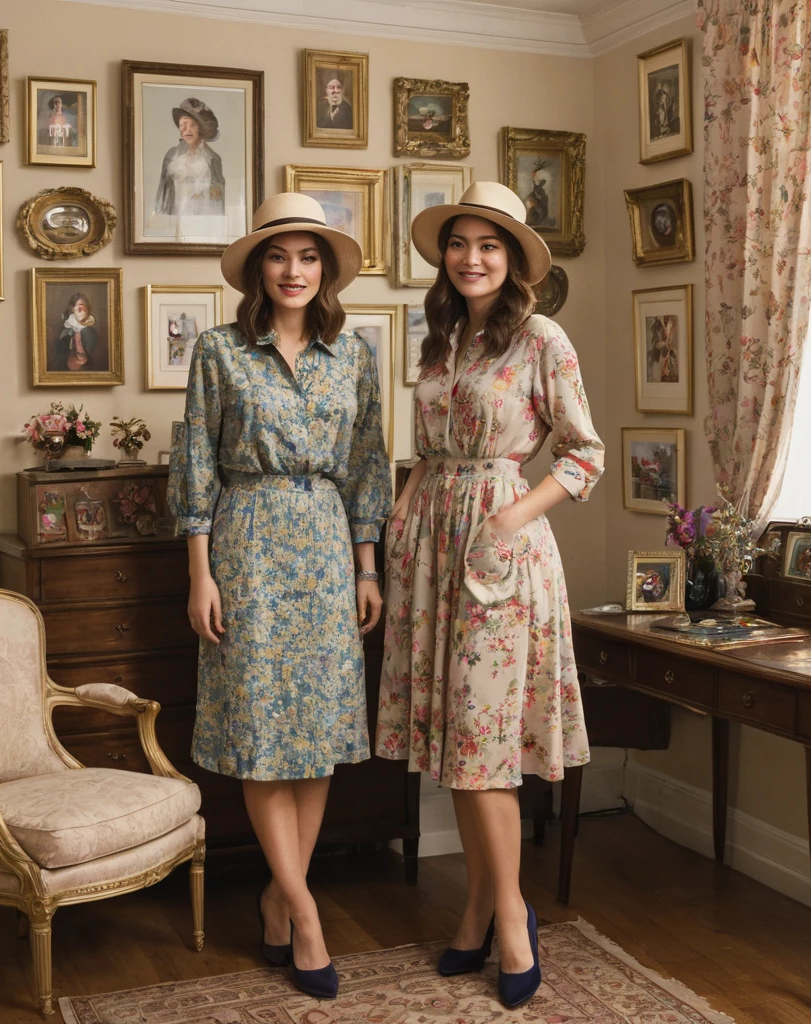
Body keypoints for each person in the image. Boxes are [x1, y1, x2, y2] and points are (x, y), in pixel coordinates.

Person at [376, 182, 604, 1009]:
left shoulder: (542, 337)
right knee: (457, 751)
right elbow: (430, 449)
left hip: (499, 554)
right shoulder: (439, 338)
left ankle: (511, 916)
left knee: (483, 753)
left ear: (512, 262)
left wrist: (511, 514)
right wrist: (404, 511)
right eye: (459, 244)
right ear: (445, 256)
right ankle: (477, 904)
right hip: (432, 547)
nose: (471, 258)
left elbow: (583, 456)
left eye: (489, 246)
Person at [168, 192, 391, 1001]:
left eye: (308, 257)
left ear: (325, 270)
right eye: (278, 255)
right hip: (248, 543)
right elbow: (194, 464)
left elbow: (369, 464)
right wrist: (201, 572)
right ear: (258, 267)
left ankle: (275, 895)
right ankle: (306, 912)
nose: (293, 271)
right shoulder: (220, 352)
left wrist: (368, 568)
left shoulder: (355, 356)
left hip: (329, 546)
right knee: (263, 726)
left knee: (319, 728)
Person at [153, 98, 225, 226]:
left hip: (202, 222)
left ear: (200, 129)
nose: (187, 130)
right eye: (183, 125)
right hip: (173, 220)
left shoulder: (213, 159)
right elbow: (162, 194)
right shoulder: (171, 156)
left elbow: (217, 201)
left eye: (192, 125)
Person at [50, 293, 105, 373]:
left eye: (83, 306)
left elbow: (86, 358)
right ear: (71, 309)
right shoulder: (64, 331)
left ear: (87, 309)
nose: (80, 309)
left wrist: (78, 338)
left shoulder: (90, 332)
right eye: (77, 306)